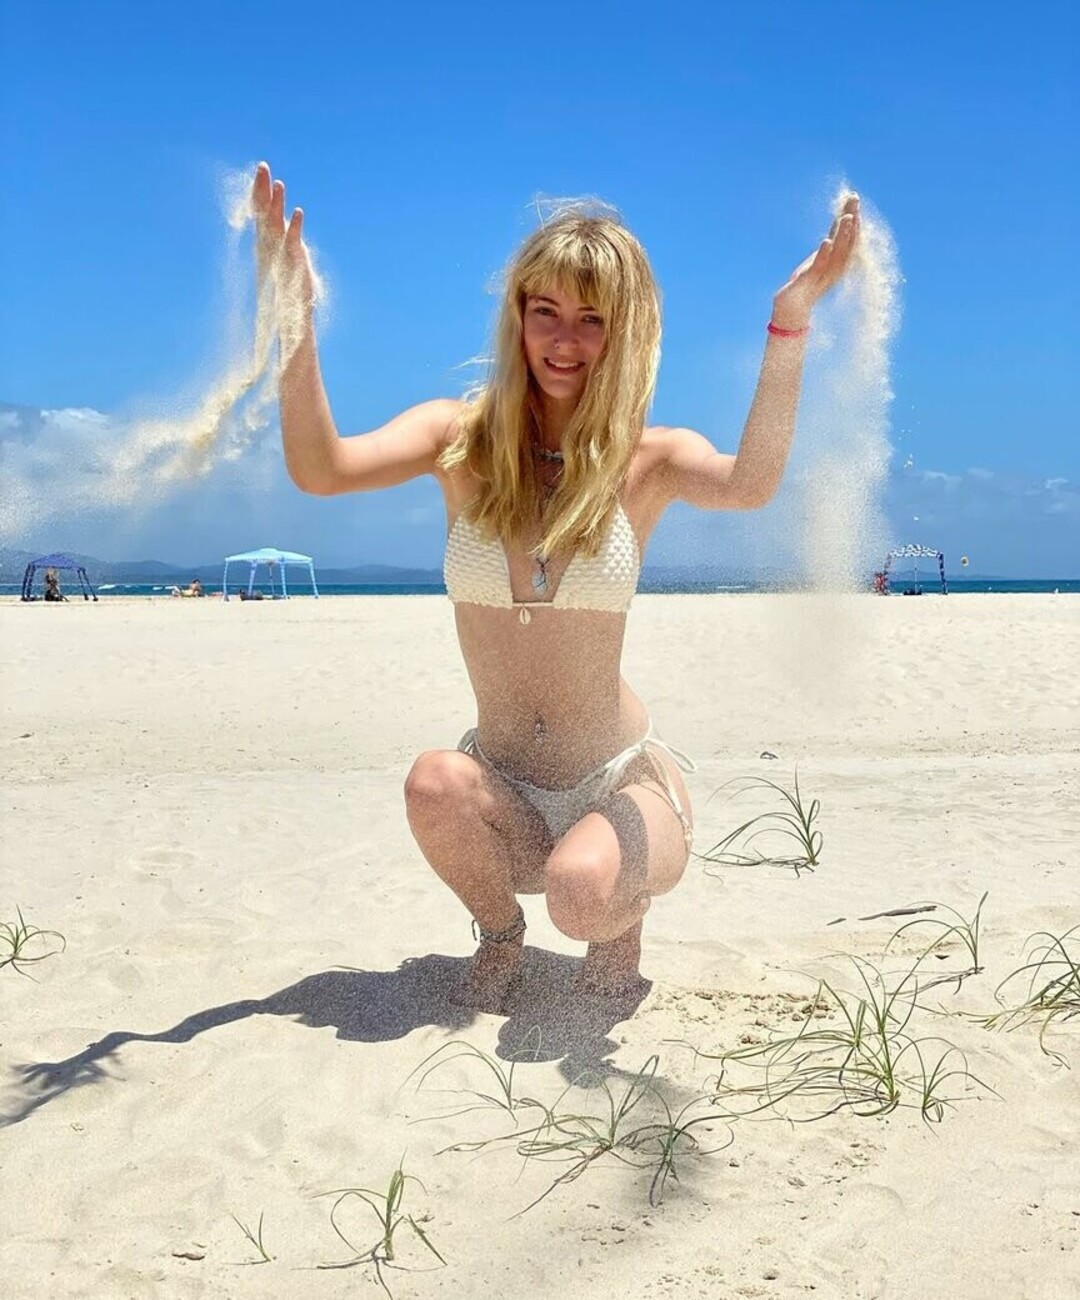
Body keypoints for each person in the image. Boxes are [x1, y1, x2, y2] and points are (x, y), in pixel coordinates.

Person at [253, 163, 860, 1011]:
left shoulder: (648, 458)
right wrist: (294, 315)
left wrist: (789, 320)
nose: (564, 340)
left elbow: (751, 483)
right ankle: (501, 933)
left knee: (582, 898)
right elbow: (322, 469)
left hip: (617, 783)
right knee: (432, 784)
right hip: (504, 788)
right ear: (518, 316)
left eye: (591, 319)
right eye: (546, 311)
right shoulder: (457, 440)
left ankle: (618, 922)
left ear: (624, 332)